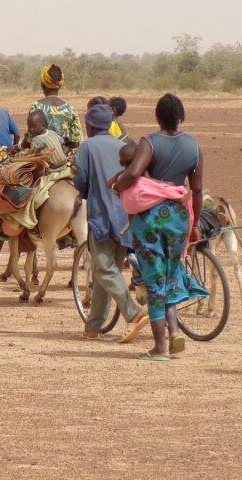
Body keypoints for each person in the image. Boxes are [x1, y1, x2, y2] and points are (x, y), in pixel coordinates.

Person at [110, 93, 208, 360]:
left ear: (157, 116)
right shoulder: (193, 146)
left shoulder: (149, 142)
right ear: (181, 116)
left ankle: (160, 347)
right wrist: (195, 223)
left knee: (154, 279)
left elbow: (132, 173)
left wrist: (117, 187)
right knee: (171, 274)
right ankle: (174, 333)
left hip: (150, 217)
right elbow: (196, 190)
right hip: (179, 217)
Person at [74, 103, 149, 342]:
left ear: (89, 126)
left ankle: (133, 313)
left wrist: (85, 192)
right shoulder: (123, 146)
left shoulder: (87, 147)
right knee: (106, 271)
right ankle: (93, 326)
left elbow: (80, 179)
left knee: (104, 271)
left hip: (101, 216)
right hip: (126, 216)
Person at [29, 64, 83, 150]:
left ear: (42, 83)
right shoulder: (70, 109)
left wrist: (16, 148)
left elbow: (30, 139)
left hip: (41, 159)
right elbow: (76, 142)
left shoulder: (36, 106)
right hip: (64, 159)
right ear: (60, 84)